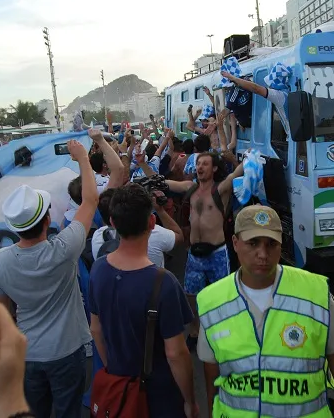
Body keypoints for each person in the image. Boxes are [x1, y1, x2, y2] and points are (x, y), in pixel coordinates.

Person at [197, 205, 334, 417]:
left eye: (271, 244)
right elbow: (212, 371)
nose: (262, 254)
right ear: (235, 244)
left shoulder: (315, 291)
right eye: (253, 243)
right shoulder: (212, 300)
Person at [0, 139, 98, 418]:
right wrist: (82, 158)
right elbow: (90, 200)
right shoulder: (65, 249)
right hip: (67, 352)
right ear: (47, 219)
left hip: (27, 353)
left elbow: (3, 315)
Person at [89, 184, 198, 418]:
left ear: (113, 222)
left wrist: (115, 369)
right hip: (159, 395)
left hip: (119, 388)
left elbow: (96, 329)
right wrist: (190, 400)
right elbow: (176, 353)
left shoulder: (98, 269)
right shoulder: (164, 282)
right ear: (151, 223)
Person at [167, 152, 244, 348]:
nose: (200, 167)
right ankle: (195, 329)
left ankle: (224, 330)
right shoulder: (190, 188)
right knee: (191, 295)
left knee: (223, 295)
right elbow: (164, 183)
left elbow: (236, 173)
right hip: (195, 254)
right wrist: (143, 165)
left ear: (214, 168)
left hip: (217, 253)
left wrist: (245, 161)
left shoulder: (221, 189)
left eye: (205, 164)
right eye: (198, 164)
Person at [91, 188, 183, 267]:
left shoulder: (97, 236)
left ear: (112, 222)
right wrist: (160, 210)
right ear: (152, 221)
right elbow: (179, 237)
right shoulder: (155, 233)